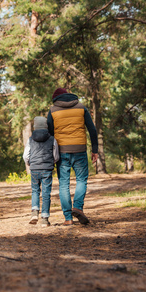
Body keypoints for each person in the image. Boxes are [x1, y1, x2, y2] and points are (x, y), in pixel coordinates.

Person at [47, 88, 98, 226]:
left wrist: (50, 153)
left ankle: (68, 218)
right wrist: (95, 150)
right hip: (79, 149)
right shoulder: (81, 107)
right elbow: (92, 129)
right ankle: (78, 207)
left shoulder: (53, 111)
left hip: (62, 151)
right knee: (82, 179)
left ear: (56, 99)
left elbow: (50, 133)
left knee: (64, 183)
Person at [23, 116, 59, 227]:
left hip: (34, 168)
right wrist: (52, 162)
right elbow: (56, 155)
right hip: (47, 169)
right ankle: (44, 219)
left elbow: (26, 155)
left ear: (35, 126)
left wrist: (29, 163)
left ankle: (34, 212)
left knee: (35, 190)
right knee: (46, 193)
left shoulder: (30, 139)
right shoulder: (52, 139)